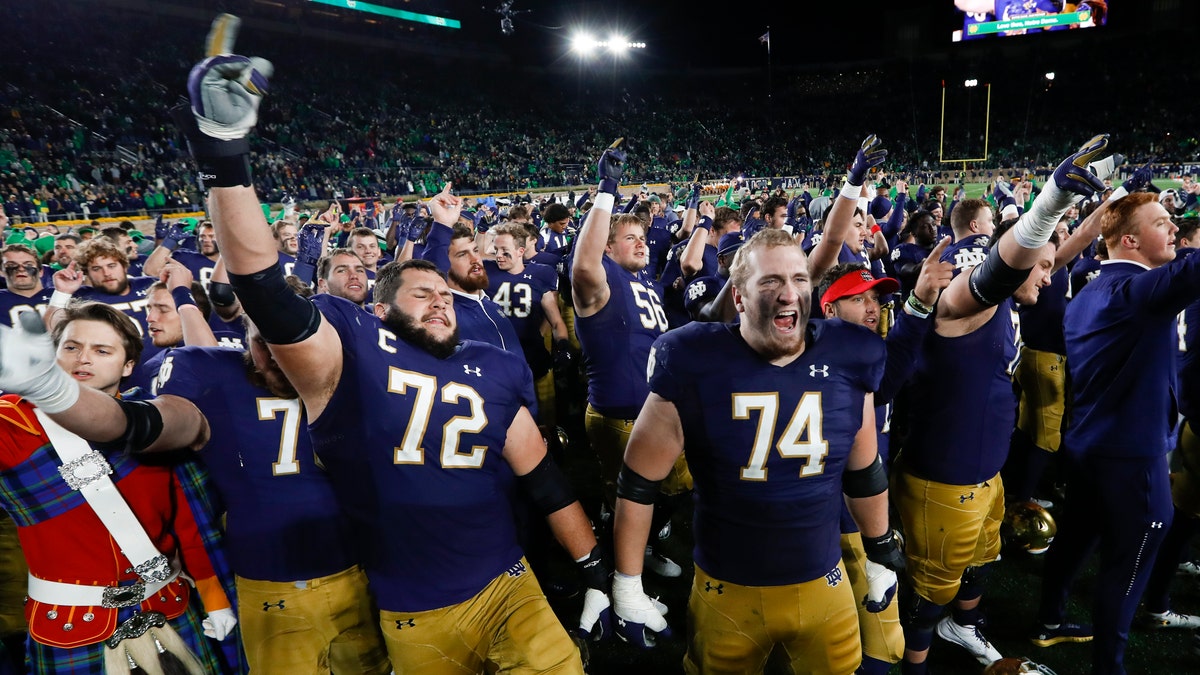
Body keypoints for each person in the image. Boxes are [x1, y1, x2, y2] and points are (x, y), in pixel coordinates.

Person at [174, 17, 607, 671]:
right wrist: (226, 157)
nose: (440, 300)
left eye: (446, 294)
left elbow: (542, 476)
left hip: (512, 582)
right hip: (414, 608)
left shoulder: (486, 362)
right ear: (378, 309)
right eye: (421, 293)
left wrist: (598, 566)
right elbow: (264, 288)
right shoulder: (352, 345)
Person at [610, 226, 904, 674]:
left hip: (823, 577)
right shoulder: (691, 358)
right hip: (728, 584)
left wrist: (880, 550)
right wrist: (627, 583)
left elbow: (864, 471)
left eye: (800, 279)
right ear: (741, 297)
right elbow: (638, 483)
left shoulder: (851, 353)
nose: (789, 294)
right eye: (770, 281)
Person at [893, 136, 1111, 674]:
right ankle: (915, 664)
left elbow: (1052, 256)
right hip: (943, 475)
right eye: (1037, 267)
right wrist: (1048, 203)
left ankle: (962, 627)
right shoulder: (966, 302)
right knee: (929, 590)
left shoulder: (1014, 291)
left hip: (983, 469)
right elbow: (1003, 270)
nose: (1050, 272)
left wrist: (1105, 208)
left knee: (982, 563)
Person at [0, 306, 235, 673]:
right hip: (68, 627)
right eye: (71, 347)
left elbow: (191, 526)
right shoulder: (12, 424)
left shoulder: (152, 420)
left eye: (102, 350)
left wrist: (215, 598)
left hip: (168, 607)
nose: (84, 359)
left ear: (128, 366)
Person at [152, 314, 392, 674]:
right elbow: (162, 422)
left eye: (287, 339)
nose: (276, 353)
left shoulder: (350, 375)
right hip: (272, 580)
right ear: (244, 338)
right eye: (262, 341)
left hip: (354, 573)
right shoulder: (213, 370)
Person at [1034, 187, 1200, 675]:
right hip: (1132, 455)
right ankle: (1109, 667)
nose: (1173, 228)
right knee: (1127, 565)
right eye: (1160, 222)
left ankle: (1049, 619)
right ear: (1129, 240)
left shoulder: (1089, 289)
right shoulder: (1139, 293)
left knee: (1077, 538)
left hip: (1089, 444)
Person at [570, 138, 686, 578]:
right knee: (638, 495)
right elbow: (582, 266)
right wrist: (606, 189)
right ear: (607, 247)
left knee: (668, 488)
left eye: (643, 238)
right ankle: (624, 567)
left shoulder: (648, 284)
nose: (641, 244)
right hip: (620, 413)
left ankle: (633, 535)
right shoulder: (600, 281)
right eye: (629, 239)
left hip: (653, 410)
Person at [0, 244, 52, 327]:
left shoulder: (61, 294)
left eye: (28, 265)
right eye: (11, 265)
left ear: (41, 271)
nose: (21, 269)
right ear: (1, 271)